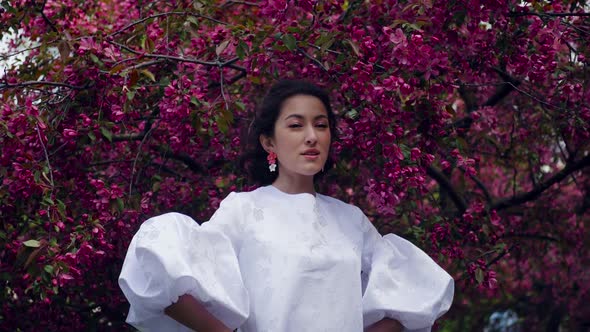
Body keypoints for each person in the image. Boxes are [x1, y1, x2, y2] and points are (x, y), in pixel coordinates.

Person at [118, 80, 454, 332]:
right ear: (269, 142)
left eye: (321, 125)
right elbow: (159, 272)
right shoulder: (244, 210)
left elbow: (413, 286)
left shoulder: (350, 220)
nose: (312, 136)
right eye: (296, 125)